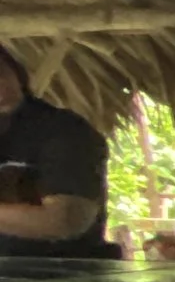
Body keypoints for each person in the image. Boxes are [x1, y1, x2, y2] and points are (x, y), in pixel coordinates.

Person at [0, 44, 112, 258]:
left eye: (2, 71)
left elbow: (66, 220)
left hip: (62, 271)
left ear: (16, 71)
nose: (1, 84)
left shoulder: (63, 130)